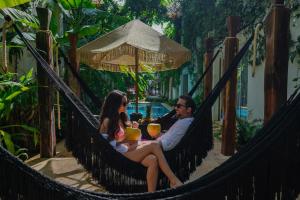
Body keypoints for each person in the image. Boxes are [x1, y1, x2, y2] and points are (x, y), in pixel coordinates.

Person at [99, 90, 182, 192]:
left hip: (127, 149)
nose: (126, 105)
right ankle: (173, 180)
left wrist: (133, 131)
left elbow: (127, 140)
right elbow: (109, 145)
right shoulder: (108, 120)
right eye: (124, 103)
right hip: (119, 154)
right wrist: (127, 140)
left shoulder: (121, 117)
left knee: (153, 160)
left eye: (127, 103)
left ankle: (150, 195)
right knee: (155, 145)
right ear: (115, 103)